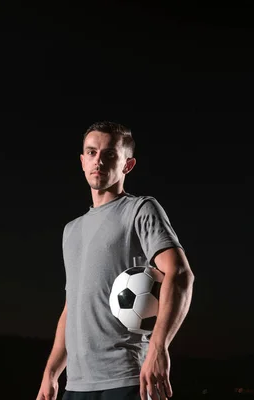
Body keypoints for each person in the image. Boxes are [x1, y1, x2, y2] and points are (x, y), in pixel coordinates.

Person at [35, 121, 195, 400]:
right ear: (83, 161)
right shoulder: (70, 230)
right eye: (92, 152)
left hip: (129, 377)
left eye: (109, 154)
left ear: (127, 165)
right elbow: (71, 307)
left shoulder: (140, 209)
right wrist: (51, 373)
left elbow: (180, 274)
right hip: (77, 384)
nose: (99, 161)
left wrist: (159, 347)